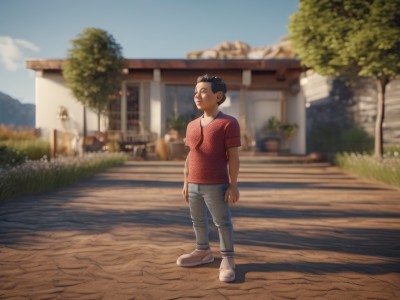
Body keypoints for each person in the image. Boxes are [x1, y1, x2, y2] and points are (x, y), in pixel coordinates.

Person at [176, 74, 241, 283]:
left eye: (203, 91)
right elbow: (190, 156)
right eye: (196, 91)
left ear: (218, 95)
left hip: (216, 184)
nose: (197, 95)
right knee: (197, 220)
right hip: (194, 183)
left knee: (222, 222)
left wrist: (233, 185)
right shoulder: (192, 125)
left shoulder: (228, 123)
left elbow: (233, 157)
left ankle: (228, 257)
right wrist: (186, 181)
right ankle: (202, 251)